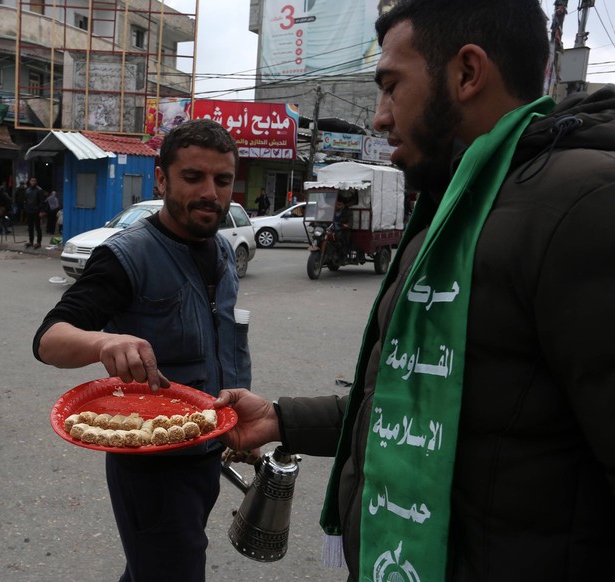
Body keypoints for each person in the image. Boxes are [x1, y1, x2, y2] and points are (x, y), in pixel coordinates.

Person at [215, 1, 615, 580]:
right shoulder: (452, 212)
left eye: (391, 87)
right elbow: (413, 404)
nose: (378, 118)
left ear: (467, 73)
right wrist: (280, 419)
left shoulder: (583, 209)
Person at [33, 118, 252, 582]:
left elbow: (223, 344)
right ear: (160, 178)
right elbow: (49, 339)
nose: (211, 192)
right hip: (152, 469)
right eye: (193, 177)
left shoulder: (222, 252)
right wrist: (105, 340)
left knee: (152, 570)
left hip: (206, 448)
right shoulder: (126, 255)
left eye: (223, 179)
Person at [23, 176, 46, 248]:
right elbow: (25, 201)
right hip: (29, 211)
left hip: (37, 211)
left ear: (36, 182)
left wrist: (41, 211)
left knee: (37, 227)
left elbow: (42, 202)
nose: (33, 182)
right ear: (30, 182)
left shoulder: (39, 190)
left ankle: (38, 242)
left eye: (34, 181)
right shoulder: (27, 190)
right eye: (31, 181)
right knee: (30, 227)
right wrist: (26, 208)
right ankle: (31, 241)